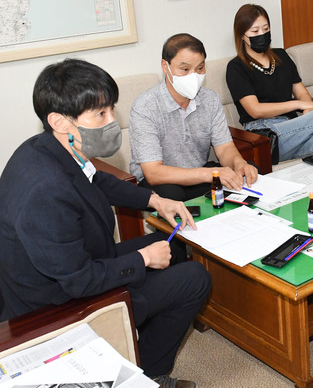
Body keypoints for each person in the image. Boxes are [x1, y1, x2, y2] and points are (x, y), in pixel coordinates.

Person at [0, 59, 211, 388]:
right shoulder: (44, 192)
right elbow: (79, 281)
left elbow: (97, 180)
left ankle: (136, 345)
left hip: (74, 265)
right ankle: (151, 373)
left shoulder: (46, 147)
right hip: (56, 305)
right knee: (194, 279)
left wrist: (155, 200)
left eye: (111, 109)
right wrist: (143, 259)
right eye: (100, 114)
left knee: (175, 247)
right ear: (59, 120)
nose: (112, 121)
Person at [129, 33, 258, 202]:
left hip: (199, 174)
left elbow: (225, 148)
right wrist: (210, 174)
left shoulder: (210, 98)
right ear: (165, 66)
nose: (194, 76)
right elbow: (153, 173)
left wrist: (239, 164)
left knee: (248, 172)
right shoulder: (145, 106)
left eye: (200, 68)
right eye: (185, 69)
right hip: (163, 181)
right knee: (171, 194)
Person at [225, 4, 313, 161]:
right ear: (242, 35)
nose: (262, 34)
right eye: (255, 31)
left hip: (293, 129)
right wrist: (297, 105)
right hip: (264, 135)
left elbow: (301, 93)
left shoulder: (281, 56)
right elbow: (255, 110)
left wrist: (307, 109)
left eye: (266, 29)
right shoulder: (236, 67)